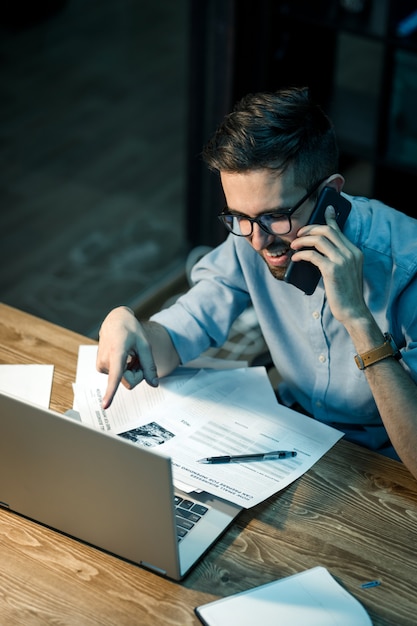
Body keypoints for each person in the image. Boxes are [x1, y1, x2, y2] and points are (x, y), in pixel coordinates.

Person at [97, 86, 417, 479]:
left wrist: (358, 320)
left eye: (276, 216)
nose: (259, 240)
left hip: (386, 465)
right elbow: (185, 330)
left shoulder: (408, 269)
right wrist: (133, 330)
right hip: (294, 440)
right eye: (239, 218)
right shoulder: (251, 236)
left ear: (330, 195)